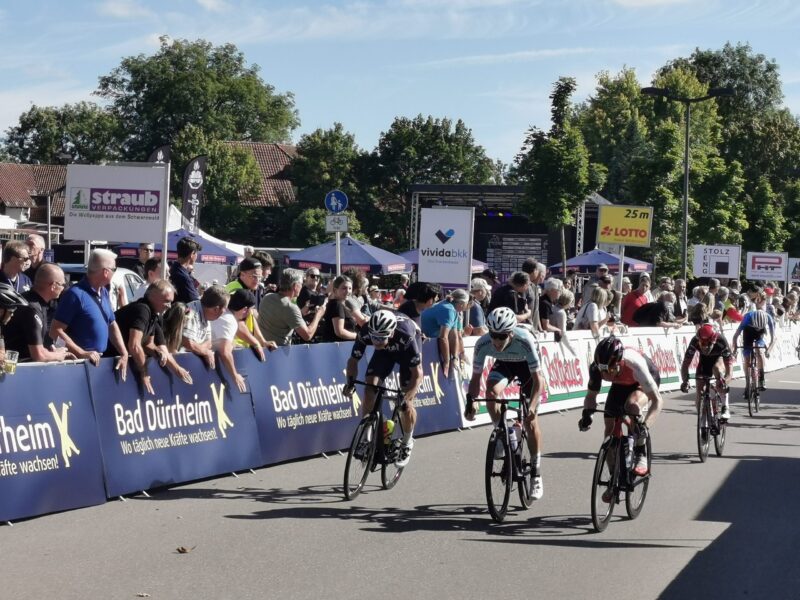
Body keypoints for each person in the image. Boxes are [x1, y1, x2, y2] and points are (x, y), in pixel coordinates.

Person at [464, 307, 545, 500]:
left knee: (530, 421)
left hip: (528, 368)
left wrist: (532, 407)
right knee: (491, 393)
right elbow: (475, 379)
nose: (497, 341)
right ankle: (502, 432)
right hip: (505, 365)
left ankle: (536, 472)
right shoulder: (483, 343)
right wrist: (471, 402)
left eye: (502, 336)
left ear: (511, 333)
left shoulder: (524, 340)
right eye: (494, 335)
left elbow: (538, 380)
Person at [343, 310, 423, 467]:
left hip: (405, 351)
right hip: (385, 353)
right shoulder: (366, 332)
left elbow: (418, 375)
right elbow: (352, 361)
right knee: (369, 386)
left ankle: (407, 442)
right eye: (374, 337)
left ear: (391, 332)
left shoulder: (406, 335)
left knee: (406, 405)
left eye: (381, 337)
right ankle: (367, 437)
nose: (377, 341)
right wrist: (350, 383)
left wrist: (407, 397)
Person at [579, 336, 663, 480]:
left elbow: (657, 401)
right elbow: (591, 396)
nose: (607, 374)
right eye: (603, 370)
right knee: (609, 429)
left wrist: (645, 427)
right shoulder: (597, 368)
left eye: (611, 369)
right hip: (620, 384)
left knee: (631, 405)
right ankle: (614, 478)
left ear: (619, 362)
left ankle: (640, 451)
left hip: (641, 380)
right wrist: (587, 415)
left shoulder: (634, 363)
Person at [49, 249, 128, 379]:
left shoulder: (104, 292)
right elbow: (54, 331)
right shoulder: (75, 294)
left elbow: (111, 323)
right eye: (114, 268)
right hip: (78, 366)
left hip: (99, 363)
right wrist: (81, 353)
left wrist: (124, 353)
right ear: (105, 271)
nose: (115, 272)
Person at [111, 279, 192, 394]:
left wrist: (158, 352)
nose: (169, 306)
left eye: (171, 302)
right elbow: (134, 346)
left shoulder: (154, 314)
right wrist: (144, 373)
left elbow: (148, 344)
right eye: (166, 301)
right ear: (153, 297)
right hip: (109, 358)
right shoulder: (142, 309)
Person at [2, 264, 71, 363]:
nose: (63, 288)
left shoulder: (34, 301)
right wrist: (59, 355)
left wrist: (51, 352)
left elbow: (39, 348)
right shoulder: (32, 308)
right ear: (53, 286)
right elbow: (39, 355)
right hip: (18, 371)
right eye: (62, 285)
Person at [211, 289, 267, 393]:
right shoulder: (230, 321)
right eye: (252, 309)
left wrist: (255, 343)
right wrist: (235, 375)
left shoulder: (226, 311)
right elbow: (225, 352)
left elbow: (239, 327)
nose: (252, 313)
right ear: (245, 309)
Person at [257, 270, 327, 346]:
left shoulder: (267, 297)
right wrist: (318, 315)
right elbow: (307, 335)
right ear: (295, 286)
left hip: (262, 349)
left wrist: (301, 313)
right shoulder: (290, 307)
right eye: (301, 283)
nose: (302, 286)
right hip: (278, 352)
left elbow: (283, 317)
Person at [680, 324, 733, 421]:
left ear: (714, 340)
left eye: (708, 344)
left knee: (717, 369)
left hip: (718, 359)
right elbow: (685, 364)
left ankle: (725, 407)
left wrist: (724, 382)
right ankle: (703, 419)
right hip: (704, 362)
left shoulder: (721, 341)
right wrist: (685, 381)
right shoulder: (695, 341)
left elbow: (729, 371)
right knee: (699, 391)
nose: (705, 347)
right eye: (702, 344)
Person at [420, 289, 470, 378]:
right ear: (462, 303)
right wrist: (446, 362)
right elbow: (443, 337)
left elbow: (454, 336)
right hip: (423, 340)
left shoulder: (453, 309)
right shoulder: (448, 310)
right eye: (467, 304)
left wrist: (455, 358)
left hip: (428, 339)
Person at [732, 296, 775, 396]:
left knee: (760, 352)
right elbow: (735, 336)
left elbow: (773, 338)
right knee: (747, 359)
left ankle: (761, 377)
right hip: (748, 333)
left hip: (760, 335)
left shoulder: (768, 317)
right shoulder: (747, 317)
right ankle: (747, 385)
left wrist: (769, 350)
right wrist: (735, 349)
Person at [225, 257, 267, 359]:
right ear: (242, 274)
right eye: (254, 276)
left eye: (260, 277)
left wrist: (262, 341)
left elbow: (251, 317)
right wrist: (256, 343)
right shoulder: (235, 290)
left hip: (244, 346)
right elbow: (238, 322)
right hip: (234, 347)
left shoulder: (246, 289)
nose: (257, 280)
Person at [182, 285, 229, 369]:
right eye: (225, 308)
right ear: (216, 309)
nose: (225, 311)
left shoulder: (206, 313)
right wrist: (205, 352)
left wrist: (201, 351)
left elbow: (208, 342)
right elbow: (186, 342)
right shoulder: (191, 312)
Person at [320, 275, 358, 343]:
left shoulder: (338, 304)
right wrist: (358, 336)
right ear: (335, 290)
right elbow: (340, 332)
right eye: (344, 288)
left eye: (350, 288)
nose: (347, 291)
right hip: (338, 349)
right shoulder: (337, 305)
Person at [170, 236, 201, 304]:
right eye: (196, 253)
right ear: (192, 254)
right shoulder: (183, 277)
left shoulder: (172, 268)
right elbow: (195, 302)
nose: (197, 256)